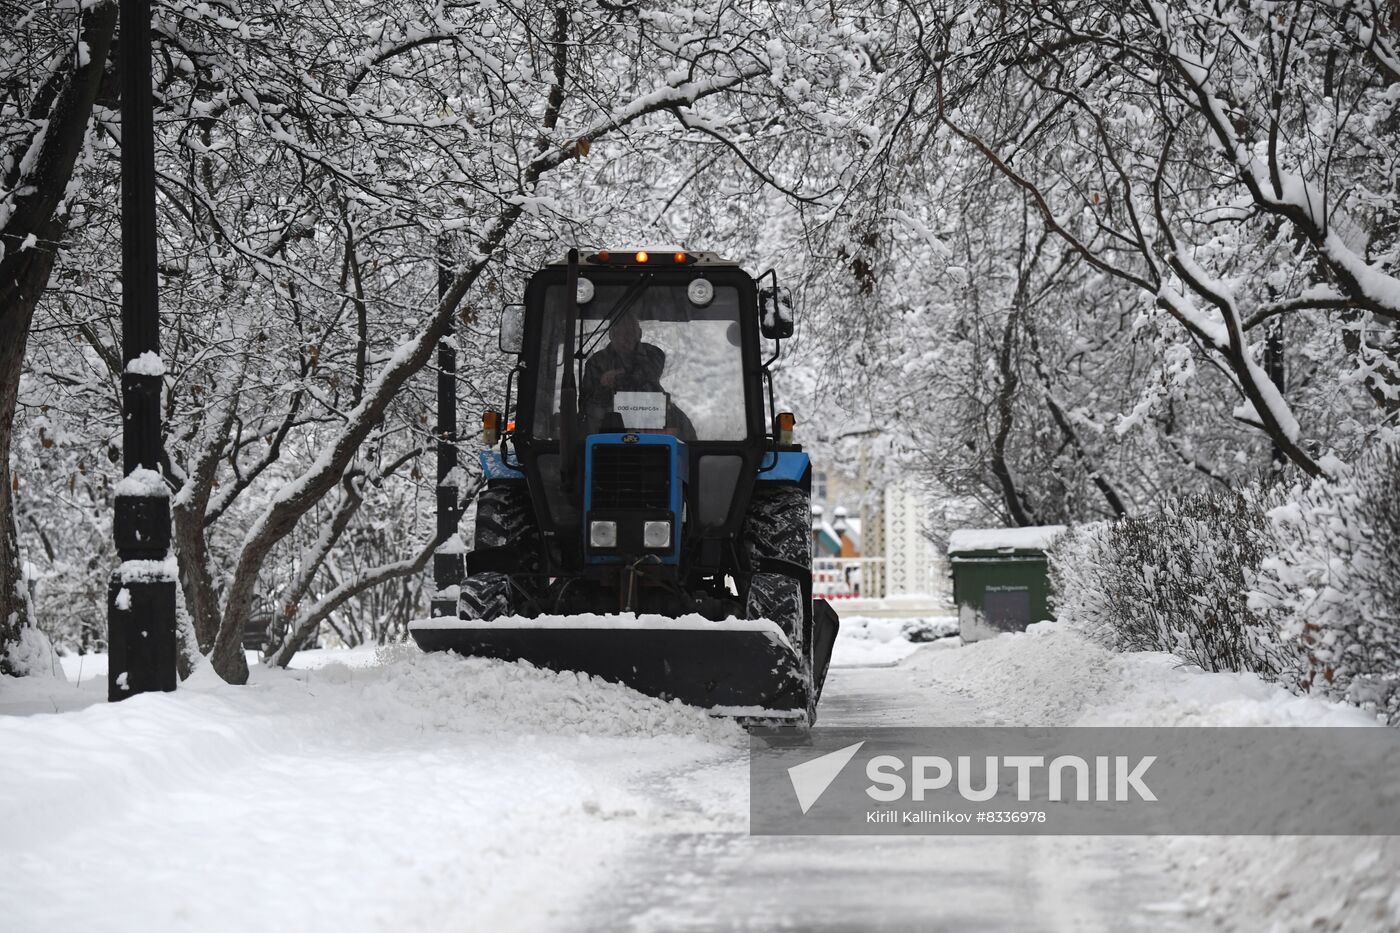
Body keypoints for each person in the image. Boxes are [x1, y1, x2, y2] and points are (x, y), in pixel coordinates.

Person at [579, 314, 696, 439]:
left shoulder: (653, 353)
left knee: (682, 427)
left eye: (631, 333)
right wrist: (603, 385)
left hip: (652, 413)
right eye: (621, 333)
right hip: (609, 421)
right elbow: (586, 401)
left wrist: (617, 375)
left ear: (639, 334)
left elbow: (648, 373)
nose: (626, 339)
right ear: (611, 335)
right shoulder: (596, 361)